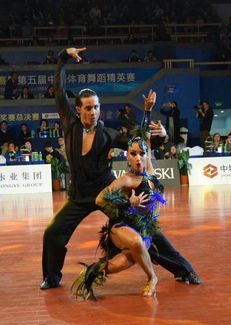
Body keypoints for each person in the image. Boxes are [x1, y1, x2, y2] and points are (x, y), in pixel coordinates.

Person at [40, 47, 166, 290]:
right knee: (52, 233)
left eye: (96, 107)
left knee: (142, 228)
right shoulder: (70, 124)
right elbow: (58, 88)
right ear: (78, 110)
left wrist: (159, 137)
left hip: (106, 193)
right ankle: (51, 277)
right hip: (78, 197)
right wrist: (63, 58)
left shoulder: (107, 133)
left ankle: (180, 268)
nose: (93, 112)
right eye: (87, 108)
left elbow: (135, 143)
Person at [72, 136, 165, 299]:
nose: (138, 158)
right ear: (127, 157)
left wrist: (147, 112)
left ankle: (89, 274)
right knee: (136, 242)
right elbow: (100, 199)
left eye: (141, 154)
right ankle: (152, 278)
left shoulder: (149, 174)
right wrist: (128, 203)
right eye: (133, 154)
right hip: (121, 226)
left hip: (143, 231)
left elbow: (146, 142)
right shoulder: (126, 179)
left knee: (115, 266)